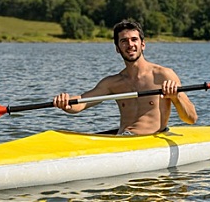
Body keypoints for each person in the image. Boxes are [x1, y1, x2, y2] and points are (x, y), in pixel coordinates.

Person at [53, 19, 198, 135]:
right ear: (117, 48)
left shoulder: (163, 75)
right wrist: (65, 102)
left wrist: (175, 97)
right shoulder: (112, 83)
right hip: (123, 138)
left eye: (134, 39)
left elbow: (191, 118)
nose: (130, 45)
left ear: (143, 45)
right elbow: (81, 103)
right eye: (124, 41)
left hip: (150, 141)